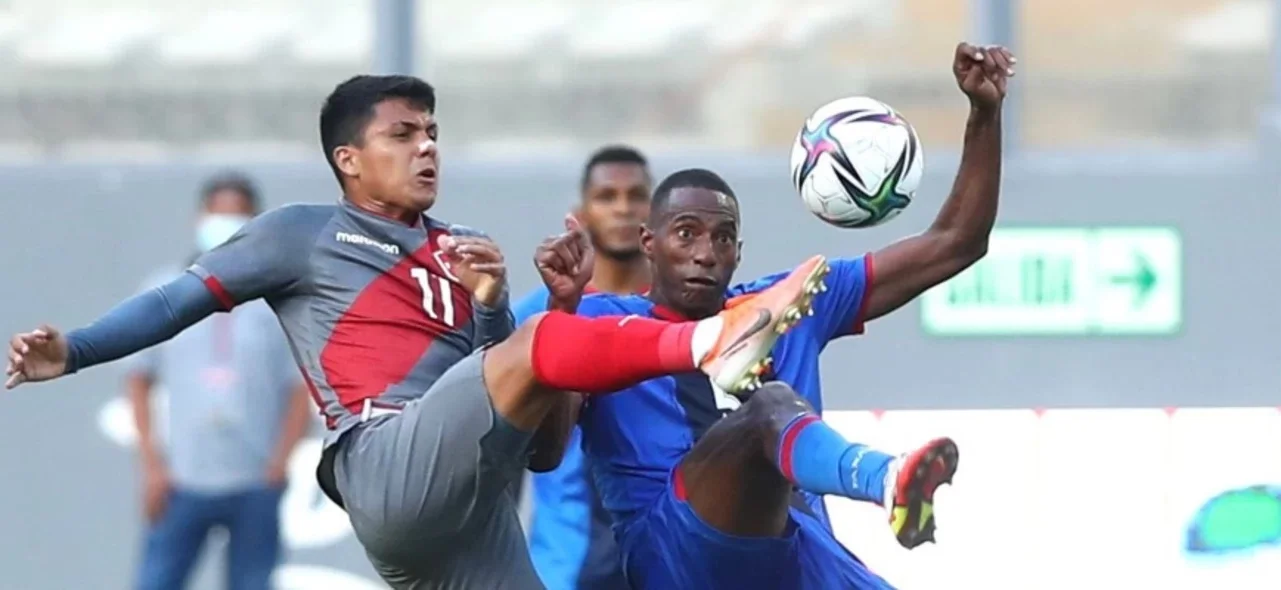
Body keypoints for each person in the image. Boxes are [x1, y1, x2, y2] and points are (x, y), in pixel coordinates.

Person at [5, 74, 826, 589]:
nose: (426, 146)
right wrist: (72, 350)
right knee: (538, 340)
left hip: (464, 520)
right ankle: (709, 341)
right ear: (348, 159)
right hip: (384, 465)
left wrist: (504, 303)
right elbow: (175, 304)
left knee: (533, 337)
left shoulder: (460, 251)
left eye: (432, 131)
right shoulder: (300, 233)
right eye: (403, 134)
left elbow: (535, 449)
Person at [559, 43, 1015, 589]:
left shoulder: (789, 300)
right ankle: (885, 477)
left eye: (722, 238)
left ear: (739, 251)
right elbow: (541, 449)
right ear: (648, 243)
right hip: (678, 552)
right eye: (686, 234)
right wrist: (558, 310)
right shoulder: (600, 322)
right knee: (768, 406)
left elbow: (956, 242)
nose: (706, 252)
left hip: (799, 554)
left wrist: (984, 114)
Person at [127, 174, 313, 590]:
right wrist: (152, 465)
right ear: (200, 218)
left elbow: (300, 387)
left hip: (254, 478)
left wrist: (279, 463)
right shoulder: (164, 289)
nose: (225, 225)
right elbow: (138, 378)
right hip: (182, 478)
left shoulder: (277, 299)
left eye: (237, 216)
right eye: (218, 214)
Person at [517, 145, 652, 589]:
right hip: (562, 566)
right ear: (582, 212)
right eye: (607, 196)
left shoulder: (683, 313)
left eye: (636, 196)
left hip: (663, 561)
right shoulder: (533, 318)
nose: (623, 208)